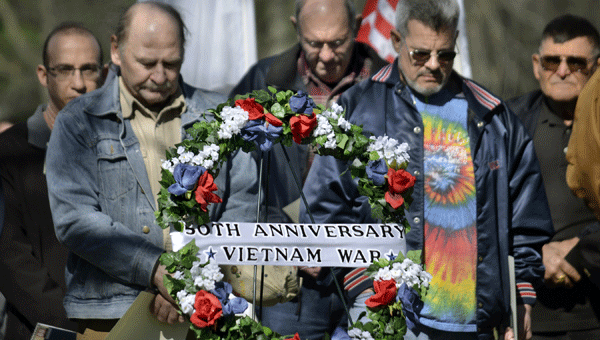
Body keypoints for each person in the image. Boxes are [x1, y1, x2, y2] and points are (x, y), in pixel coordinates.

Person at [300, 0, 554, 339]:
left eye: (445, 54)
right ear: (396, 42)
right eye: (420, 54)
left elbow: (527, 222)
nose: (433, 65)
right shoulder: (357, 108)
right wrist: (360, 281)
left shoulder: (494, 116)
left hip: (476, 320)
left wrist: (521, 295)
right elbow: (322, 208)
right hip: (383, 312)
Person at [45, 2, 258, 339]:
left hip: (207, 312)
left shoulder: (221, 117)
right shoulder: (78, 122)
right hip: (111, 316)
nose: (159, 77)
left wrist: (193, 282)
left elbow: (244, 209)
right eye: (146, 63)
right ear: (116, 50)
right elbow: (74, 219)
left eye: (171, 64)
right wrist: (158, 271)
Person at [229, 0, 387, 338]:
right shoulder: (264, 80)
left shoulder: (388, 83)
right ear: (295, 29)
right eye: (314, 43)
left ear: (358, 25)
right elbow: (239, 178)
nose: (327, 55)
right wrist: (279, 234)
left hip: (371, 270)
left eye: (339, 42)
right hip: (289, 276)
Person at [0, 22, 104, 340]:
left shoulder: (123, 146)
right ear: (44, 75)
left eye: (88, 69)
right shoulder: (10, 153)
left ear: (105, 74)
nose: (79, 83)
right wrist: (76, 326)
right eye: (65, 70)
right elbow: (9, 257)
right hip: (41, 330)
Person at [506, 15, 600, 340]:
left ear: (597, 66)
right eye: (551, 61)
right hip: (535, 318)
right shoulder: (507, 124)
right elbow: (485, 209)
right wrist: (534, 254)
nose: (561, 71)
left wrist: (584, 247)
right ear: (536, 65)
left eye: (575, 62)